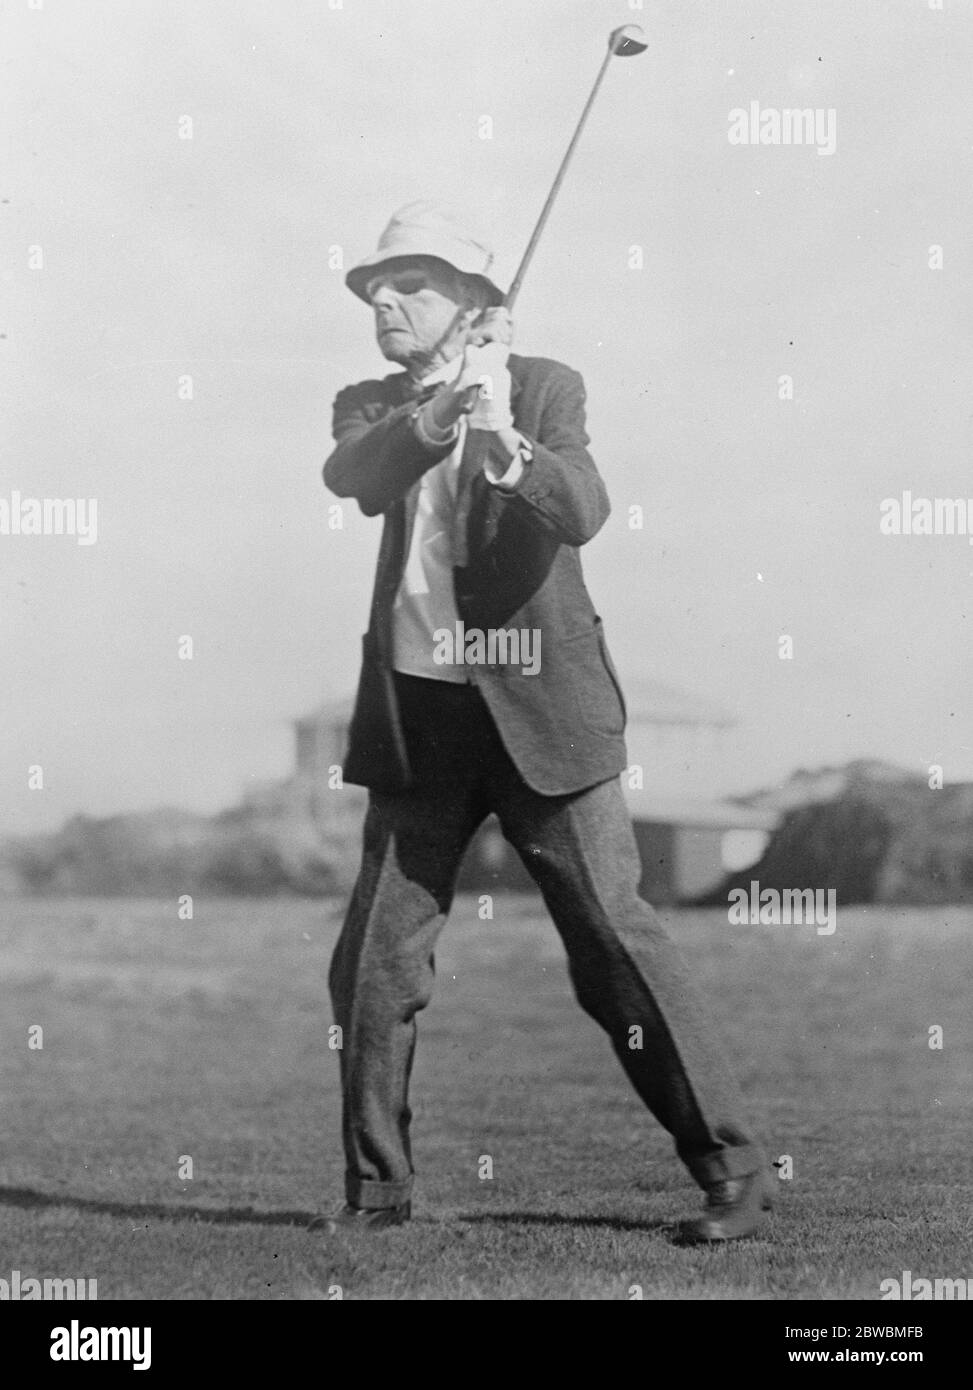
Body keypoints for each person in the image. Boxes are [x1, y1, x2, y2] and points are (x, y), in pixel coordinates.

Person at [318, 200, 773, 1241]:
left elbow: (582, 507)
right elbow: (355, 474)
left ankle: (735, 1172)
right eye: (372, 292)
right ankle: (378, 1197)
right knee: (374, 965)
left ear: (477, 303)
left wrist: (505, 437)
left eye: (412, 286)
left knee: (613, 946)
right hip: (418, 724)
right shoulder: (369, 402)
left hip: (543, 714)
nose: (384, 303)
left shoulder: (544, 385)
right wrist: (439, 419)